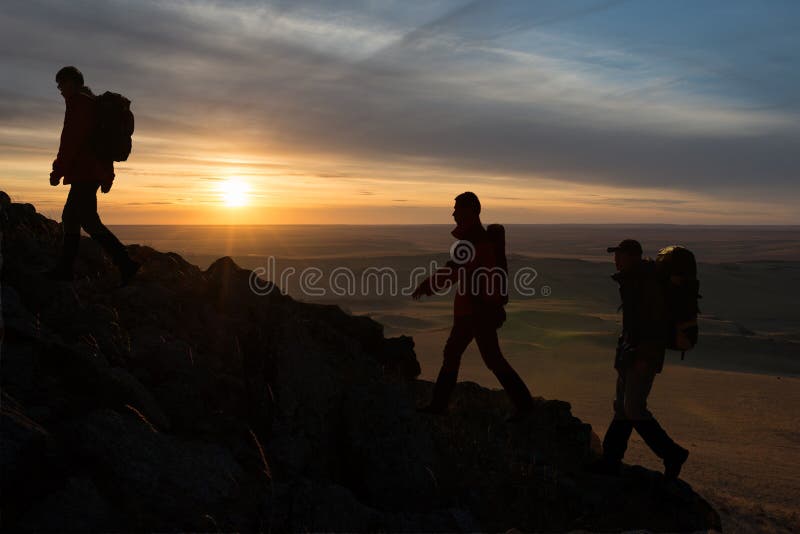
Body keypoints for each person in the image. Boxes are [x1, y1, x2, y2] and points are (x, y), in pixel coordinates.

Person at [412, 192, 534, 420]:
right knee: (463, 354)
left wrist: (428, 286)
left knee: (484, 357)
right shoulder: (477, 239)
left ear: (471, 210)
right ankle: (439, 405)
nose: (453, 213)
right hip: (477, 311)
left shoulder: (473, 241)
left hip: (476, 312)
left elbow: (454, 271)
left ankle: (525, 406)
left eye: (458, 208)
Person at [589, 239, 689, 479]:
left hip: (642, 355)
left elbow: (655, 323)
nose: (615, 260)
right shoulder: (634, 280)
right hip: (630, 352)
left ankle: (673, 454)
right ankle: (611, 460)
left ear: (632, 256)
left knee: (634, 408)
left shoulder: (647, 282)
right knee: (623, 408)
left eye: (619, 255)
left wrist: (645, 356)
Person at [46, 66, 139, 285]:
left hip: (85, 173)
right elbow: (101, 145)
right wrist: (107, 176)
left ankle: (126, 263)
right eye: (58, 84)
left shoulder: (79, 104)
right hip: (90, 173)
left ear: (74, 82)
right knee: (72, 217)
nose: (59, 89)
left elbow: (71, 142)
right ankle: (65, 269)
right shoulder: (92, 104)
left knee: (88, 221)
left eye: (62, 83)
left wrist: (57, 171)